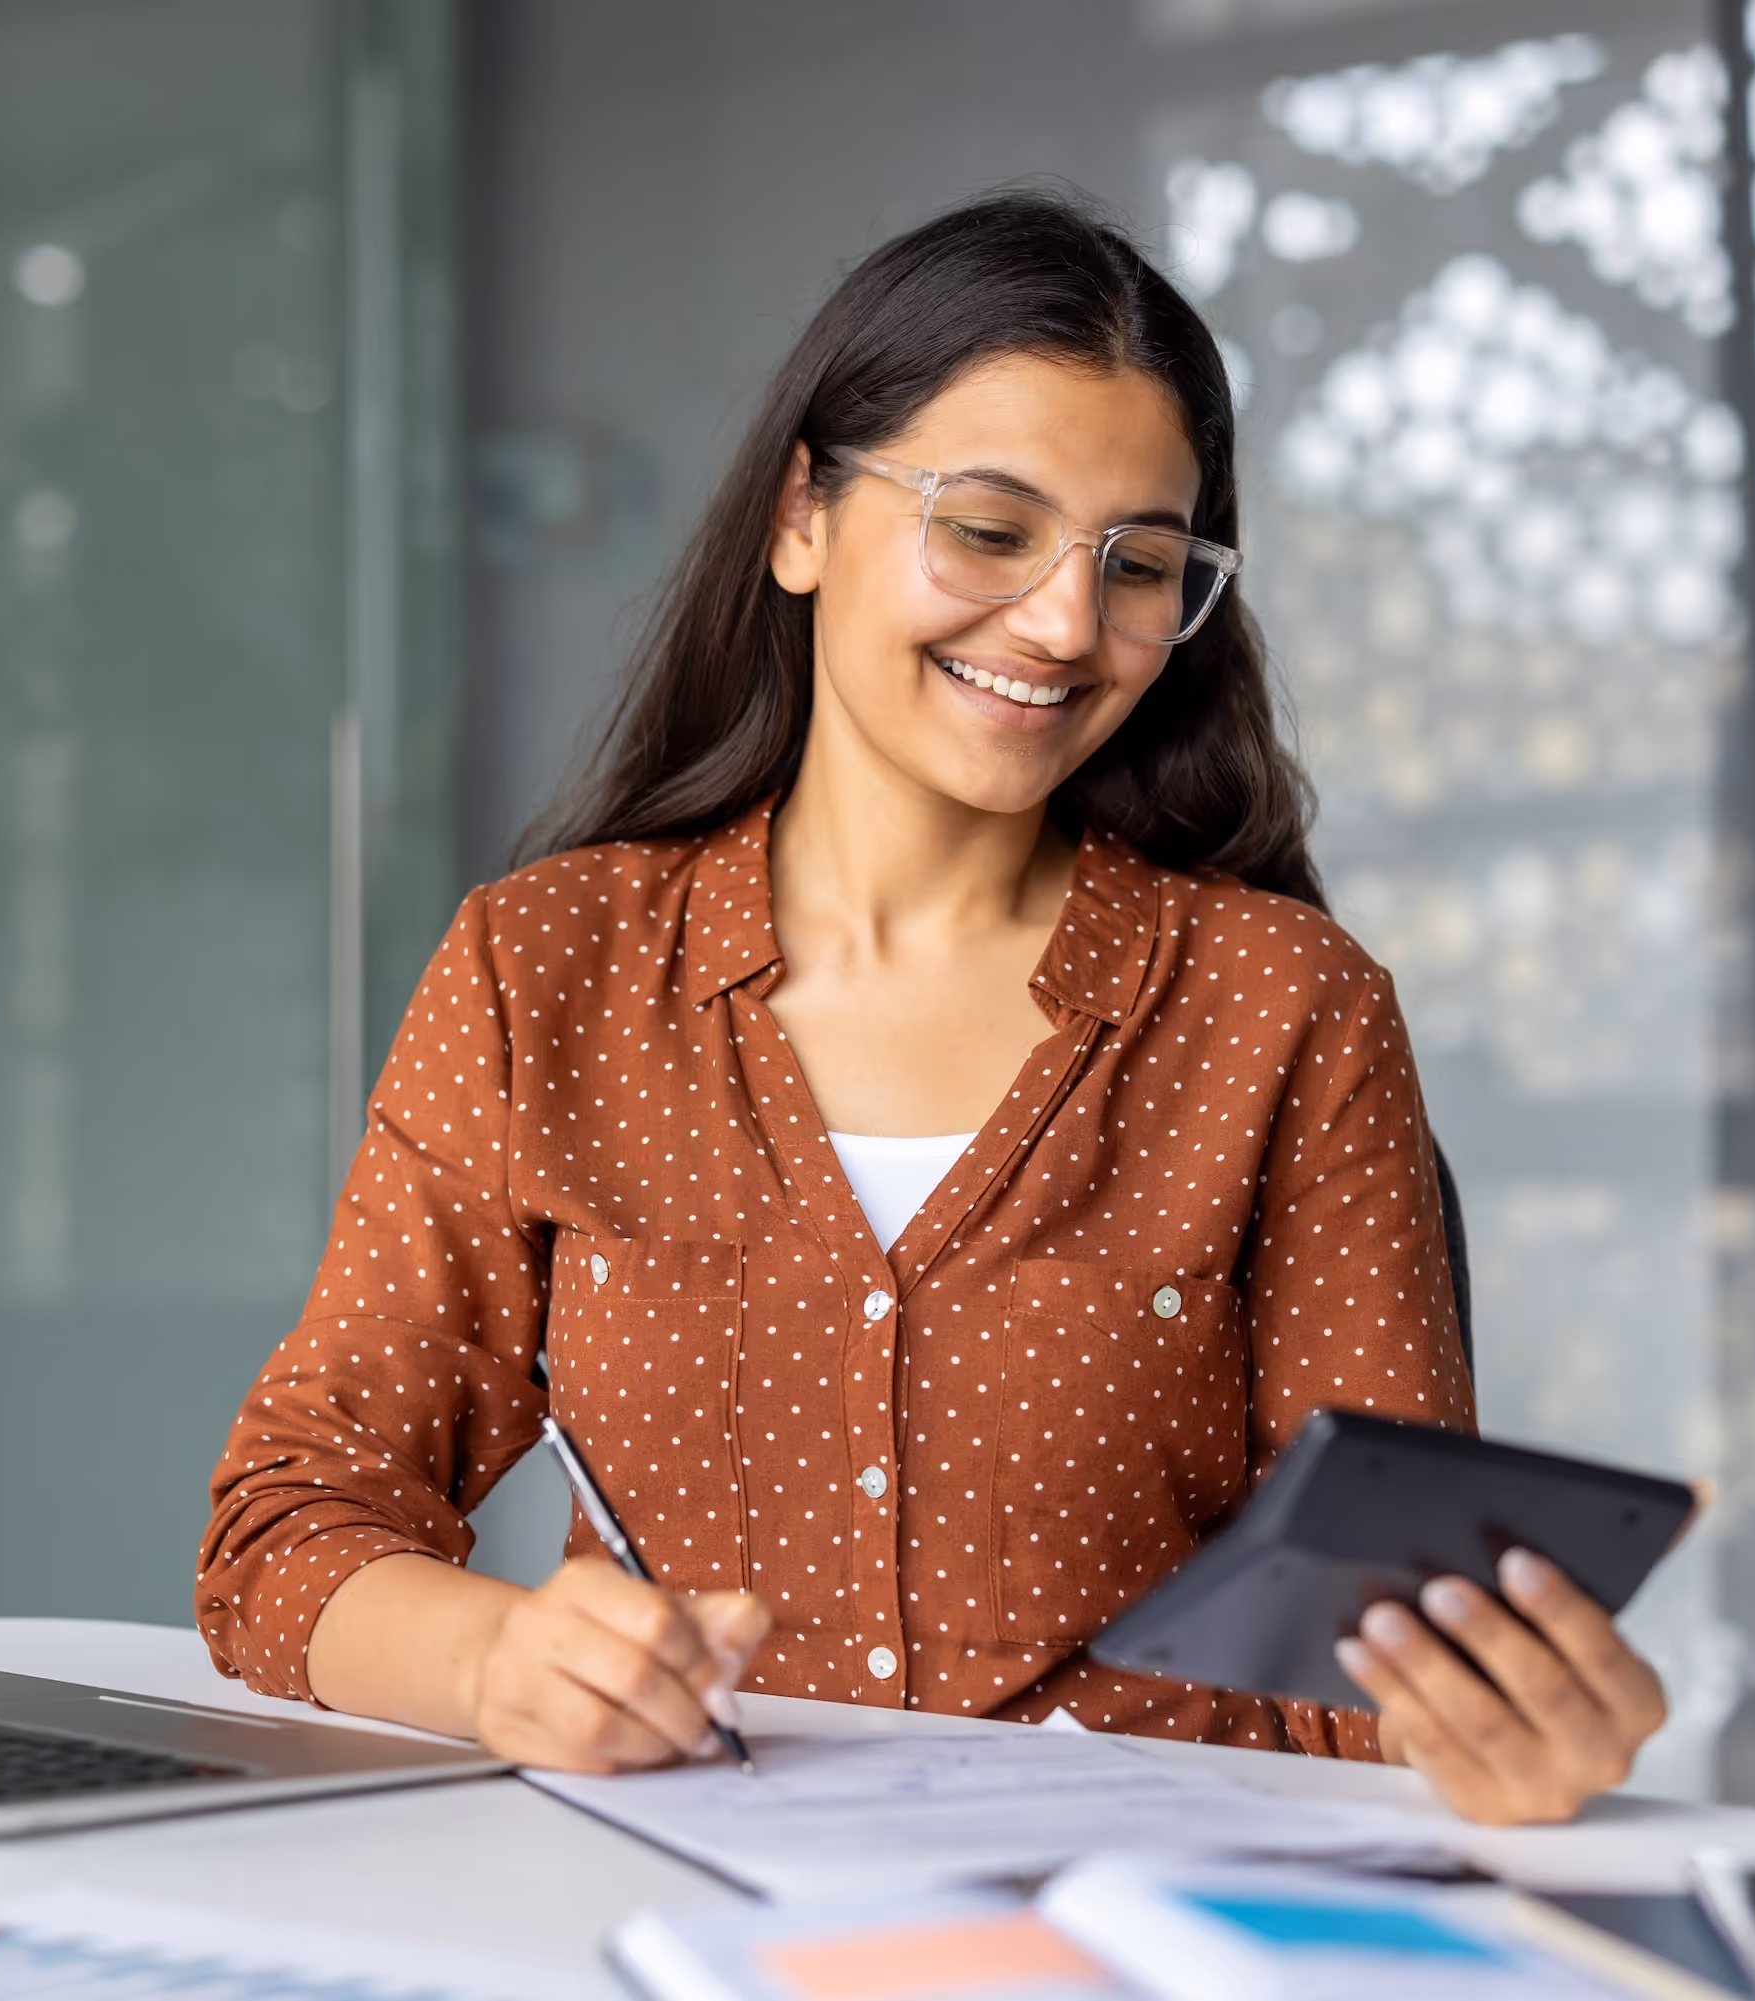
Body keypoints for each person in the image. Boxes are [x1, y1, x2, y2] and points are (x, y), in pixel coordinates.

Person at [196, 191, 1668, 1825]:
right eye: (988, 528)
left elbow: (1370, 1653)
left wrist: (1507, 1734)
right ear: (800, 519)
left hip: (1145, 1926)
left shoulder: (1283, 1011)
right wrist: (498, 1665)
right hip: (678, 1914)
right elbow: (289, 1531)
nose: (1060, 624)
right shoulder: (549, 971)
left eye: (1141, 566)